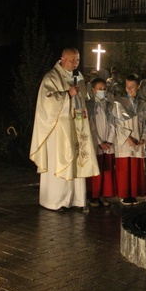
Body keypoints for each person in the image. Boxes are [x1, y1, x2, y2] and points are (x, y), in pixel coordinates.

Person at [29, 48, 100, 211]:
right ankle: (55, 200)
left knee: (76, 161)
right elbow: (46, 101)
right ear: (62, 59)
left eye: (77, 60)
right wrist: (67, 94)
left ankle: (75, 199)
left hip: (76, 125)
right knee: (60, 160)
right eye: (72, 60)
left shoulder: (79, 77)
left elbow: (83, 99)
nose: (75, 63)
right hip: (59, 130)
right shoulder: (52, 77)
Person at [113, 74, 146, 205]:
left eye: (132, 86)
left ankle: (133, 194)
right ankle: (124, 194)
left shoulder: (143, 104)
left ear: (138, 86)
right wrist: (127, 138)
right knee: (124, 168)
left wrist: (144, 138)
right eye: (127, 86)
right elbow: (116, 123)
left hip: (138, 140)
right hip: (125, 142)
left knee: (135, 169)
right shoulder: (119, 102)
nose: (129, 89)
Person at [86, 78, 117, 207]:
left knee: (106, 169)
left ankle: (104, 194)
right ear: (93, 90)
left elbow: (113, 124)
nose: (102, 91)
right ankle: (93, 195)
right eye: (99, 89)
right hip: (96, 142)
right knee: (96, 170)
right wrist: (99, 142)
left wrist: (109, 141)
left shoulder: (110, 105)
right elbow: (90, 126)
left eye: (104, 89)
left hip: (107, 142)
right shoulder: (89, 105)